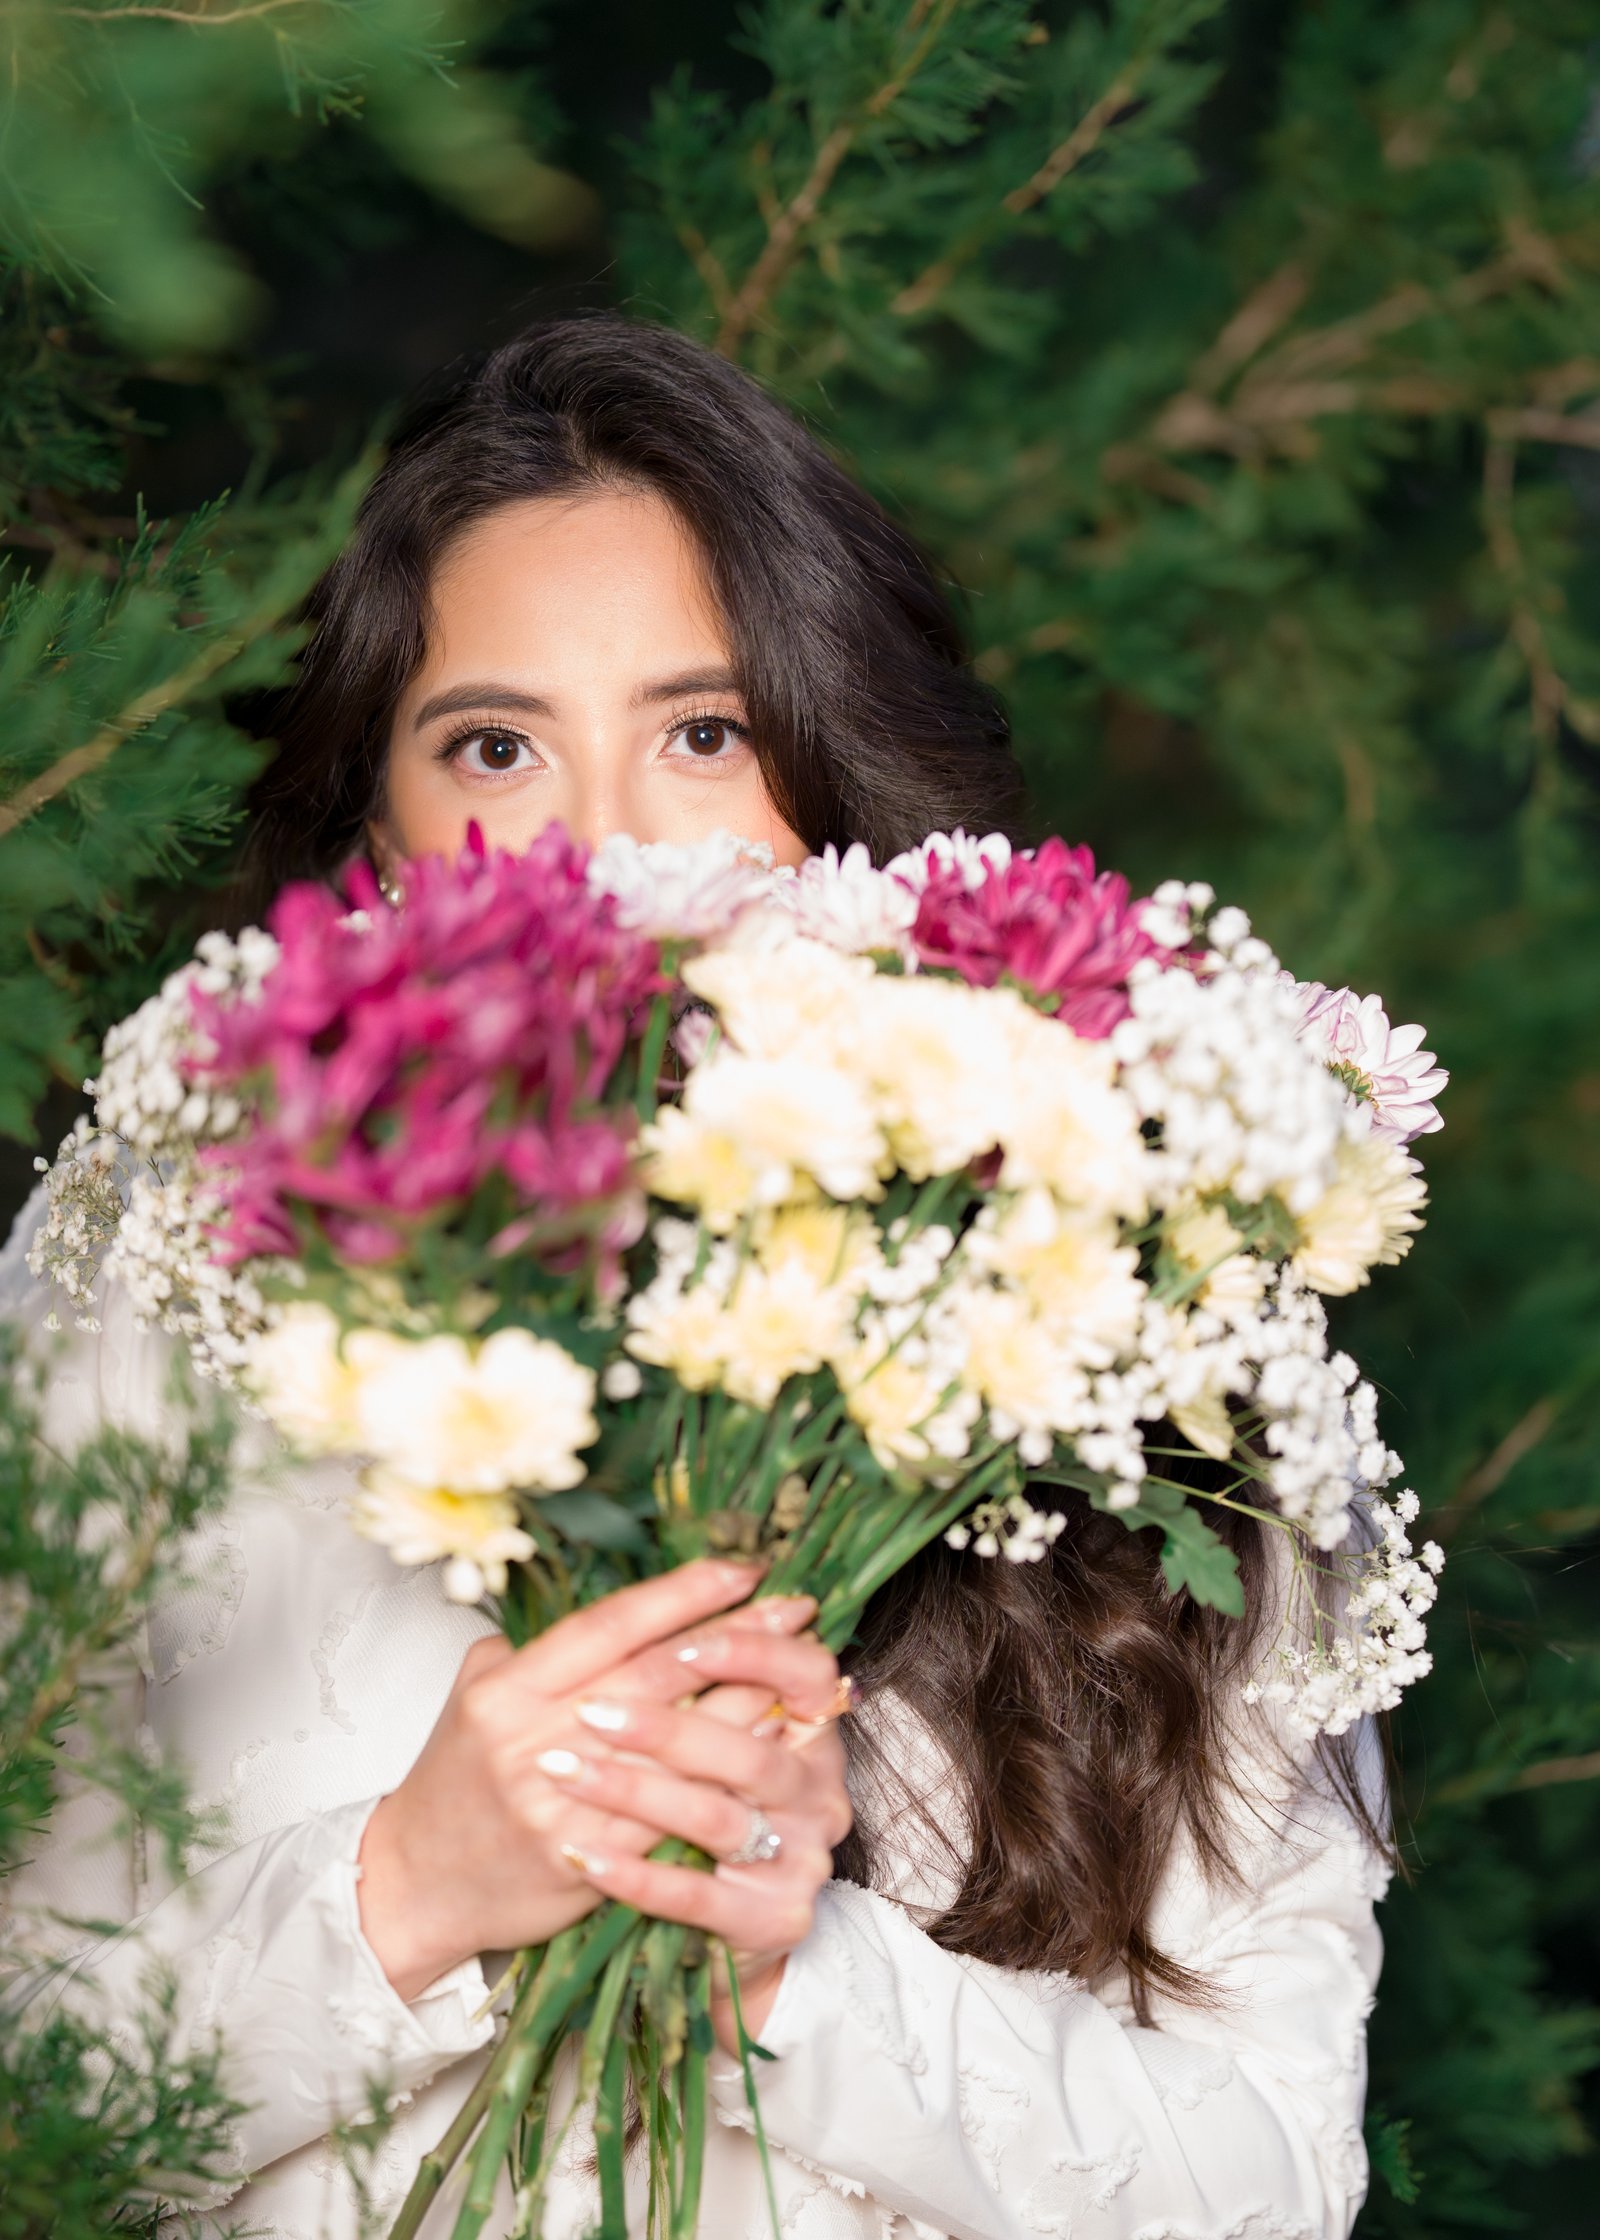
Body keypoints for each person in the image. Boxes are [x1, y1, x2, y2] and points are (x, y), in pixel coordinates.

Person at [0, 315, 1389, 2239]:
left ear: (841, 778)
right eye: (494, 745)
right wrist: (408, 1896)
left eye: (704, 734)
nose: (598, 843)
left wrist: (791, 1981)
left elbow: (1272, 2182)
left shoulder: (1140, 1293)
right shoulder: (152, 1278)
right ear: (374, 834)